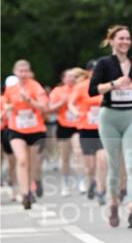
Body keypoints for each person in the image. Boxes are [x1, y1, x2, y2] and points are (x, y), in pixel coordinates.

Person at [89, 25, 132, 229]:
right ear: (112, 41)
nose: (125, 42)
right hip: (110, 118)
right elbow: (93, 90)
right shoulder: (104, 64)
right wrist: (114, 84)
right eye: (120, 38)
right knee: (114, 165)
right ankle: (113, 202)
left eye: (127, 38)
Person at [4, 59, 49, 209]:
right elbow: (6, 104)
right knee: (22, 160)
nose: (23, 74)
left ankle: (30, 188)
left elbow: (44, 107)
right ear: (15, 72)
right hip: (16, 129)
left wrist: (30, 101)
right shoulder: (11, 89)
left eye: (25, 71)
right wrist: (9, 107)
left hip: (35, 130)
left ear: (29, 72)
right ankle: (25, 194)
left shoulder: (36, 87)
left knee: (31, 163)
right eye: (20, 71)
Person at [68, 64, 107, 204]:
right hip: (86, 128)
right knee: (90, 166)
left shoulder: (106, 85)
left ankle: (101, 191)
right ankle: (92, 182)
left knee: (102, 160)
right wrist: (75, 112)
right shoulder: (81, 86)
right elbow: (71, 103)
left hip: (104, 128)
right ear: (89, 72)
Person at [48, 69, 79, 196]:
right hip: (63, 125)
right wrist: (63, 102)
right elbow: (50, 109)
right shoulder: (57, 91)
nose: (71, 79)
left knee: (78, 152)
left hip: (78, 125)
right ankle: (65, 183)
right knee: (65, 157)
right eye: (69, 77)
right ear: (63, 79)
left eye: (74, 77)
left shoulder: (80, 89)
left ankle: (82, 180)